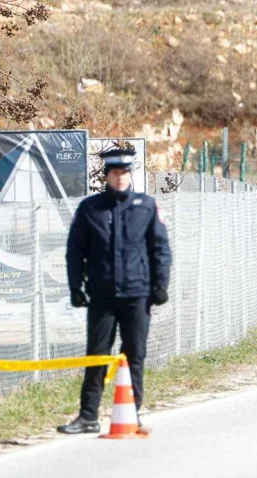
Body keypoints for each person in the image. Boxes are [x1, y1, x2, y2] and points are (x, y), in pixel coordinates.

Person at [58, 147, 172, 435]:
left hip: (137, 294)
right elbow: (75, 251)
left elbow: (160, 249)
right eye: (114, 173)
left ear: (130, 175)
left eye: (124, 172)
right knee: (96, 355)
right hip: (102, 295)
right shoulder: (90, 208)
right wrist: (75, 286)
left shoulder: (145, 206)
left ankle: (131, 413)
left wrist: (161, 285)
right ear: (106, 176)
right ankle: (87, 416)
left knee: (134, 355)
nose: (120, 178)